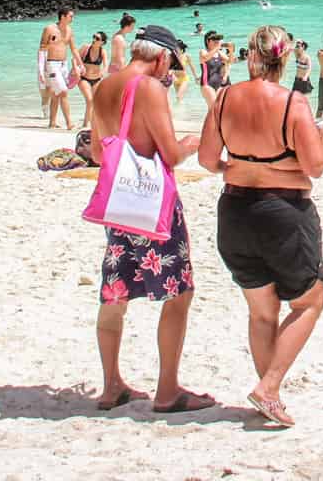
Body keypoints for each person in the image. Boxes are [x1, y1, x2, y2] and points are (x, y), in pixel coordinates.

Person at [197, 25, 323, 428]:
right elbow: (316, 166)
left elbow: (207, 160)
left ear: (249, 55)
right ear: (286, 58)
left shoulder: (224, 98)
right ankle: (269, 387)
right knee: (309, 302)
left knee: (261, 313)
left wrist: (241, 166)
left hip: (235, 210)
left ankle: (267, 395)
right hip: (284, 215)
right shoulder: (293, 103)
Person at [88, 24, 213, 414]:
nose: (170, 70)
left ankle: (111, 386)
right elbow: (171, 154)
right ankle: (168, 390)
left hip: (119, 205)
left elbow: (96, 152)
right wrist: (193, 144)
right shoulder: (151, 89)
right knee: (179, 293)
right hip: (151, 204)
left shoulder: (106, 85)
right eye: (171, 62)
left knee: (115, 292)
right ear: (161, 56)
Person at [38, 8, 76, 122]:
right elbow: (41, 50)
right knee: (63, 91)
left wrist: (79, 65)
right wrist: (41, 70)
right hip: (52, 64)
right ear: (63, 17)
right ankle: (69, 123)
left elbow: (73, 49)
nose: (72, 19)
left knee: (55, 94)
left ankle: (52, 123)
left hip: (64, 64)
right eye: (71, 16)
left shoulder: (69, 30)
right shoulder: (49, 29)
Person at [76, 31, 109, 124]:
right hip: (84, 78)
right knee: (89, 100)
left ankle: (93, 123)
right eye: (94, 37)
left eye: (97, 39)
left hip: (97, 79)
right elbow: (74, 58)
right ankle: (85, 124)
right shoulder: (86, 47)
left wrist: (104, 71)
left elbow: (106, 65)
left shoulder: (102, 51)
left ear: (102, 42)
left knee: (96, 102)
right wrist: (76, 67)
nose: (94, 40)